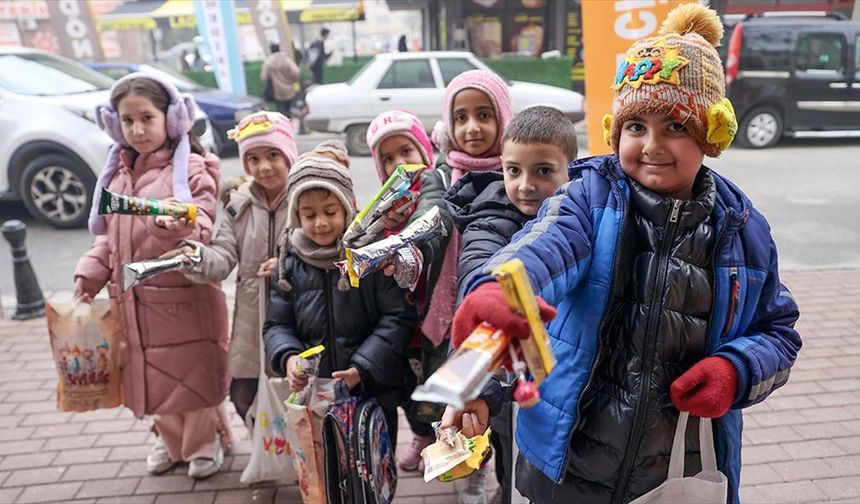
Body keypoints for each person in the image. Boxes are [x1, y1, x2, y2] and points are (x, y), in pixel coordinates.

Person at [443, 4, 802, 504]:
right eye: (636, 126)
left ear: (711, 133)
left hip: (677, 470)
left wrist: (736, 371)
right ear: (616, 131)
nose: (652, 145)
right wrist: (499, 289)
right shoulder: (588, 198)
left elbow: (779, 333)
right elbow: (545, 247)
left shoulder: (743, 231)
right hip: (567, 468)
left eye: (675, 126)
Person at [73, 73, 234, 480]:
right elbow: (110, 238)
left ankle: (203, 442)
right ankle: (168, 439)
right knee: (151, 377)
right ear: (115, 124)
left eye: (147, 117)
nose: (137, 129)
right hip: (136, 303)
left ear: (172, 118)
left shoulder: (194, 168)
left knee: (193, 377)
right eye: (128, 121)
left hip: (185, 301)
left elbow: (202, 228)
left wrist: (173, 228)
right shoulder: (118, 174)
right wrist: (90, 273)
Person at [445, 105, 577, 504]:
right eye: (513, 170)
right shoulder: (488, 223)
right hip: (508, 393)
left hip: (569, 387)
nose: (525, 185)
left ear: (571, 169)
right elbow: (476, 299)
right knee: (513, 472)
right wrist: (471, 386)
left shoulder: (582, 217)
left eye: (543, 171)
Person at [263, 140, 417, 446]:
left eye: (330, 211)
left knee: (374, 458)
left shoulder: (370, 255)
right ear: (297, 217)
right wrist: (289, 357)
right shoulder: (289, 263)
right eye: (309, 215)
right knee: (324, 459)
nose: (321, 223)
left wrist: (362, 367)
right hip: (315, 391)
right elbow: (277, 325)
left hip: (371, 387)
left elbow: (397, 317)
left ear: (347, 207)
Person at [166, 111, 298, 423]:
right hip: (252, 318)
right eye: (253, 158)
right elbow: (223, 256)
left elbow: (326, 248)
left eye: (273, 155)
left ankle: (301, 450)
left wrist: (287, 265)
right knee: (243, 394)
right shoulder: (239, 205)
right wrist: (194, 256)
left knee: (296, 394)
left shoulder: (305, 198)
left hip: (299, 314)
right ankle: (266, 444)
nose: (263, 166)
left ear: (289, 154)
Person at [428, 68, 512, 504]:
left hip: (498, 309)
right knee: (464, 403)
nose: (472, 127)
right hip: (449, 310)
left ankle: (505, 481)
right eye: (460, 117)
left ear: (503, 119)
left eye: (484, 115)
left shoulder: (518, 175)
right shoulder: (443, 176)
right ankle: (471, 469)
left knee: (501, 407)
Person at [365, 109, 454, 473]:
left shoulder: (437, 190)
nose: (399, 163)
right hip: (402, 318)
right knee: (407, 384)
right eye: (388, 158)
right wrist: (383, 228)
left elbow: (432, 221)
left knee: (438, 382)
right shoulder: (382, 208)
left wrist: (405, 235)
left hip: (436, 312)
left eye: (406, 151)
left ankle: (443, 439)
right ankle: (419, 435)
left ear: (424, 152)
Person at [261, 43, 300, 118]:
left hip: (277, 91)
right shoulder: (286, 60)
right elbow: (296, 72)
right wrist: (292, 81)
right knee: (291, 111)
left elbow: (264, 77)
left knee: (281, 113)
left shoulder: (269, 62)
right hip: (289, 89)